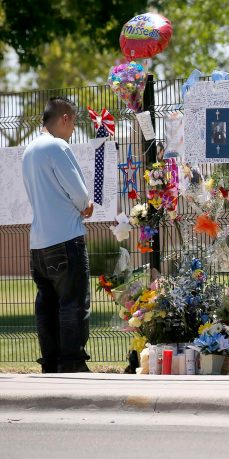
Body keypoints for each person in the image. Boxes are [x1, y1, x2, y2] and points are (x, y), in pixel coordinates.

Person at [22, 96, 94, 373]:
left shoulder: (30, 150)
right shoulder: (57, 146)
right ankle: (72, 363)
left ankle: (50, 362)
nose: (73, 129)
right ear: (65, 118)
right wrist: (86, 205)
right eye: (74, 123)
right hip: (65, 238)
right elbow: (80, 195)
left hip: (38, 243)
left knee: (47, 305)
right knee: (73, 304)